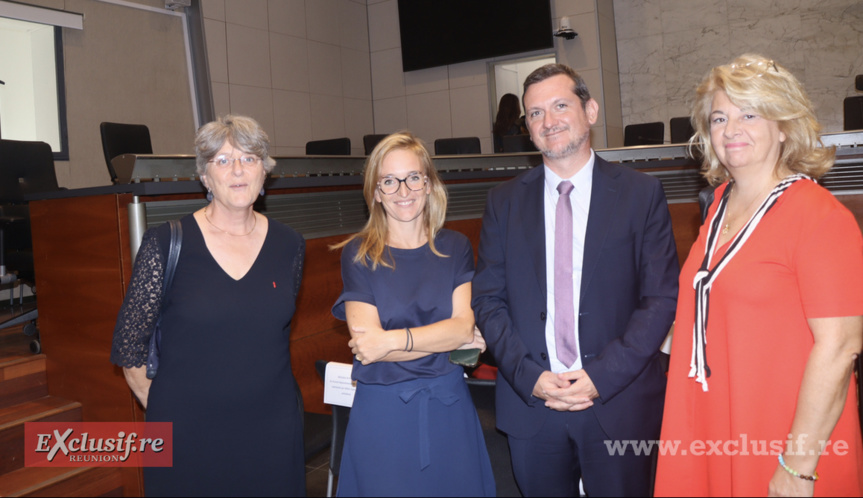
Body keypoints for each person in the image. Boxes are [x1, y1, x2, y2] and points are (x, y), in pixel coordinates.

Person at [655, 54, 863, 497]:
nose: (731, 130)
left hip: (781, 434)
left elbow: (840, 346)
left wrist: (798, 466)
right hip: (710, 416)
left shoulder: (819, 217)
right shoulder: (717, 208)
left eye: (749, 114)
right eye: (719, 117)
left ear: (783, 125)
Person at [472, 63, 680, 496]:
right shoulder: (502, 203)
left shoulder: (641, 194)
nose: (548, 121)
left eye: (560, 105)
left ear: (591, 110)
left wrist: (600, 376)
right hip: (534, 405)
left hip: (616, 402)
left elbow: (660, 299)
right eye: (534, 113)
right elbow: (489, 301)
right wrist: (528, 375)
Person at [110, 115, 306, 497]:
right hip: (188, 434)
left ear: (264, 172)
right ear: (204, 176)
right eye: (222, 160)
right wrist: (171, 409)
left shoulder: (290, 245)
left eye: (249, 159)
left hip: (272, 430)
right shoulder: (165, 243)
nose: (237, 170)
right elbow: (130, 345)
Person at [331, 131, 496, 497]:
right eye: (389, 181)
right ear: (375, 192)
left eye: (413, 177)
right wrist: (447, 337)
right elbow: (367, 348)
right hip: (383, 414)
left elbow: (462, 328)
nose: (403, 191)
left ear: (429, 184)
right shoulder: (358, 254)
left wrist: (390, 340)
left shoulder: (455, 247)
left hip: (449, 408)